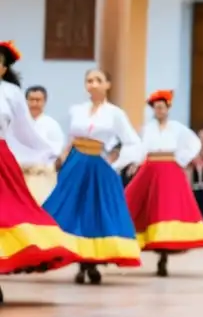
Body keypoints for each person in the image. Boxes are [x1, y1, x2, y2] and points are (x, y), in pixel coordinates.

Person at [44, 68, 143, 284]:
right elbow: (69, 138)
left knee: (94, 212)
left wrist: (116, 163)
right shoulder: (76, 110)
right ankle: (80, 261)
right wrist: (61, 156)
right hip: (75, 164)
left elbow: (132, 140)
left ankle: (92, 261)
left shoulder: (115, 113)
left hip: (98, 166)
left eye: (98, 80)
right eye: (89, 80)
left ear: (108, 84)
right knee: (72, 211)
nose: (93, 84)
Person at [0, 42, 81, 303]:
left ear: (4, 68)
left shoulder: (10, 93)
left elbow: (24, 130)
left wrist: (47, 152)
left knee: (8, 215)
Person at [126, 90, 203, 277]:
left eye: (162, 107)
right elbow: (141, 147)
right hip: (151, 168)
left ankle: (164, 254)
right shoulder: (148, 128)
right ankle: (145, 244)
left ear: (168, 108)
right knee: (144, 206)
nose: (160, 111)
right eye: (156, 108)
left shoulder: (177, 128)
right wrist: (137, 162)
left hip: (169, 170)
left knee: (167, 209)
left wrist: (180, 159)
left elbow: (194, 143)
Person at [12, 85, 65, 203]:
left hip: (42, 176)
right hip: (20, 176)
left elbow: (56, 152)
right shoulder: (16, 125)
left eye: (38, 100)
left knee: (42, 209)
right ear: (25, 101)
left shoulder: (51, 125)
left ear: (44, 101)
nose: (35, 103)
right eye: (31, 100)